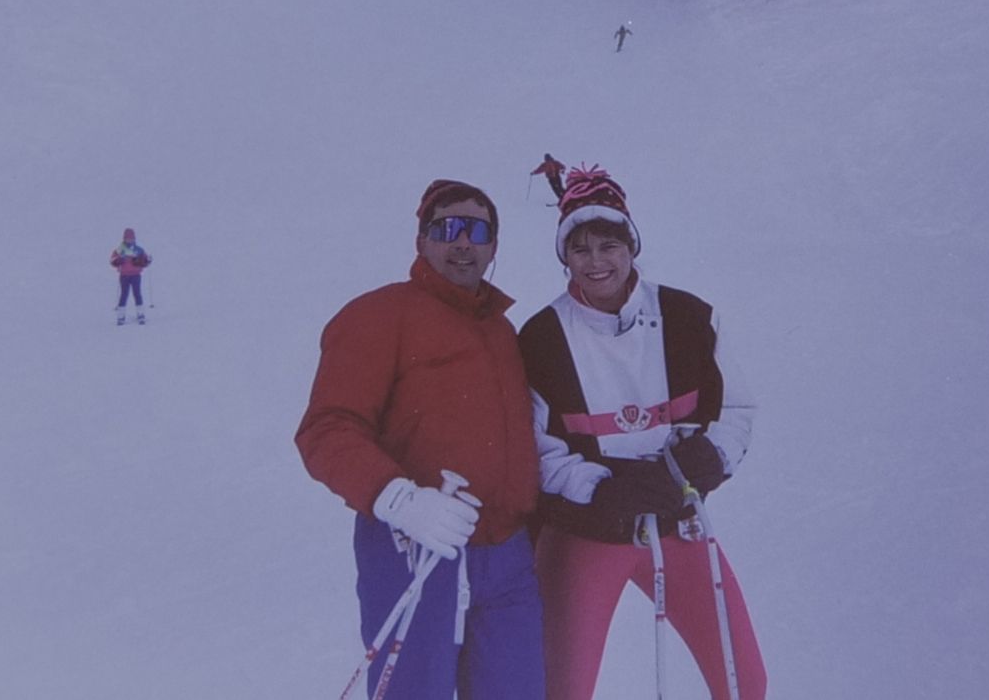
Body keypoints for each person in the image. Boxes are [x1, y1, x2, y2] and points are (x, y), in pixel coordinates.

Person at [518, 164, 767, 699]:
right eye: (580, 249)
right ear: (565, 258)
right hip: (588, 534)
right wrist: (601, 488)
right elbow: (536, 449)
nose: (596, 262)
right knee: (563, 691)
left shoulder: (688, 317)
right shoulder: (541, 339)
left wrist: (712, 457)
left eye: (609, 245)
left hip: (678, 524)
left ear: (631, 246)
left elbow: (735, 407)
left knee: (743, 682)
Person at [295, 179, 546, 699]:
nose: (463, 242)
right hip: (415, 547)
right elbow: (327, 428)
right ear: (421, 241)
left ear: (494, 246)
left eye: (478, 231)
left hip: (507, 556)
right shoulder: (379, 315)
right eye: (447, 228)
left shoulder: (502, 331)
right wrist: (399, 499)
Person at [109, 228, 151, 325]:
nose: (129, 240)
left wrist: (147, 261)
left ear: (134, 239)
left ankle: (140, 314)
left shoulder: (139, 250)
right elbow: (112, 261)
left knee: (137, 294)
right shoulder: (119, 250)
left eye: (131, 238)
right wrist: (119, 260)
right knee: (124, 295)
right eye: (127, 239)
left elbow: (145, 260)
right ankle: (121, 316)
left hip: (136, 275)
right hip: (124, 276)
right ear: (124, 239)